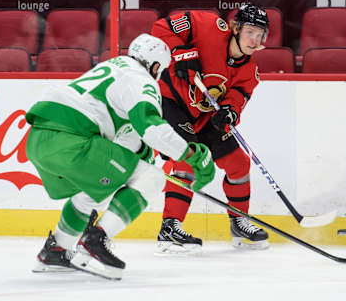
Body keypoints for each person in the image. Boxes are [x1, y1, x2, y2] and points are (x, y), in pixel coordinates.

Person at [25, 33, 215, 280]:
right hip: (73, 139)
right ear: (156, 65)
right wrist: (192, 155)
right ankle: (95, 242)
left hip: (39, 140)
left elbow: (126, 138)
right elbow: (152, 127)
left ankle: (56, 249)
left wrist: (143, 154)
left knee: (95, 189)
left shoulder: (113, 67)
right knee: (154, 179)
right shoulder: (141, 79)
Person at [151, 3, 270, 254]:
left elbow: (238, 97)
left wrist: (229, 112)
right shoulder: (208, 26)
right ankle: (169, 227)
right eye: (250, 31)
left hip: (205, 116)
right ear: (235, 27)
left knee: (239, 163)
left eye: (260, 35)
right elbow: (160, 27)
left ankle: (239, 221)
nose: (255, 39)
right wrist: (182, 53)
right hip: (171, 102)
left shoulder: (250, 71)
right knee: (189, 158)